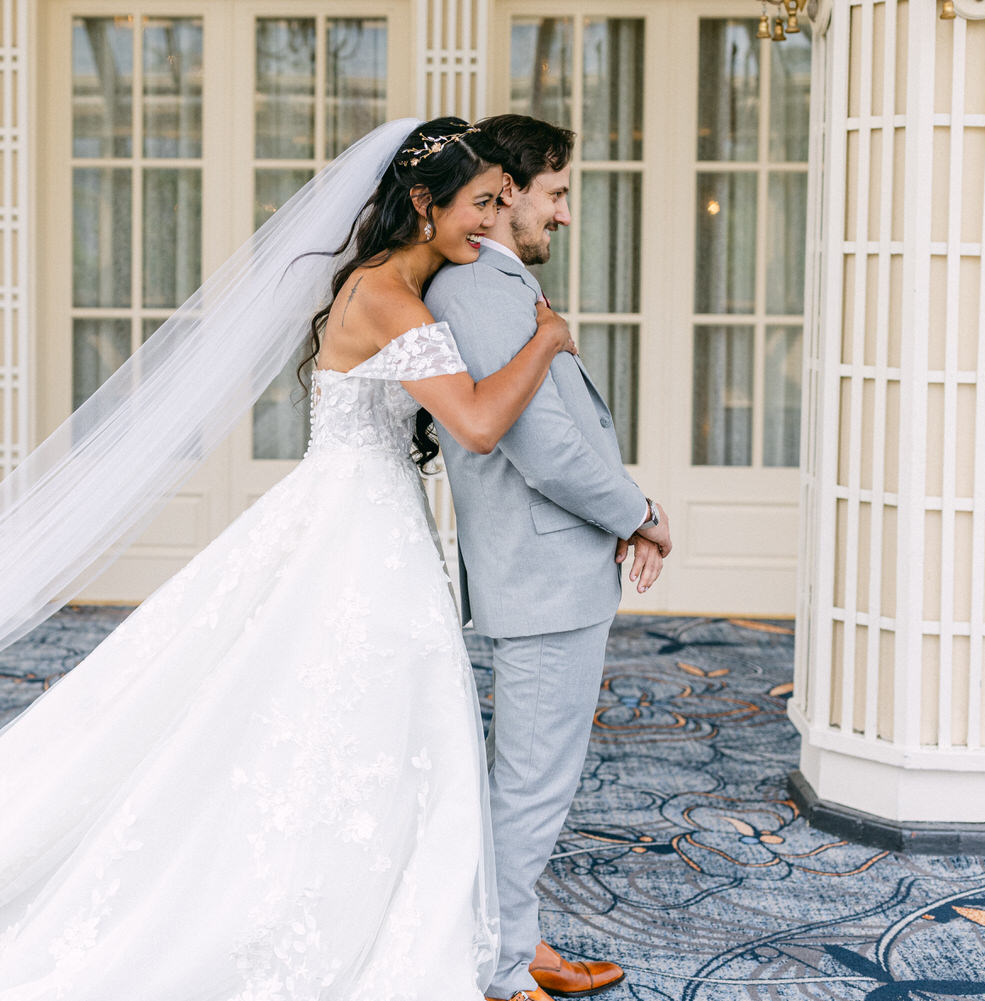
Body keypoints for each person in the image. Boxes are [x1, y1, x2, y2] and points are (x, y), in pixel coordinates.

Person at [0, 118, 576, 1001]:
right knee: (336, 709)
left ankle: (383, 906)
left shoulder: (398, 286)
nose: (497, 223)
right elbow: (481, 424)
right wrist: (545, 338)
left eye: (504, 204)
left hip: (369, 521)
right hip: (356, 530)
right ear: (425, 201)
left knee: (342, 717)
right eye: (484, 205)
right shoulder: (384, 293)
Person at [425, 114, 674, 1001]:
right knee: (529, 784)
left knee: (536, 778)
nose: (563, 215)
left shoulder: (493, 283)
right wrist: (638, 510)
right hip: (539, 577)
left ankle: (516, 940)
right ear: (503, 195)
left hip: (550, 571)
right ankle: (495, 969)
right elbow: (543, 448)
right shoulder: (478, 293)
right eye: (555, 194)